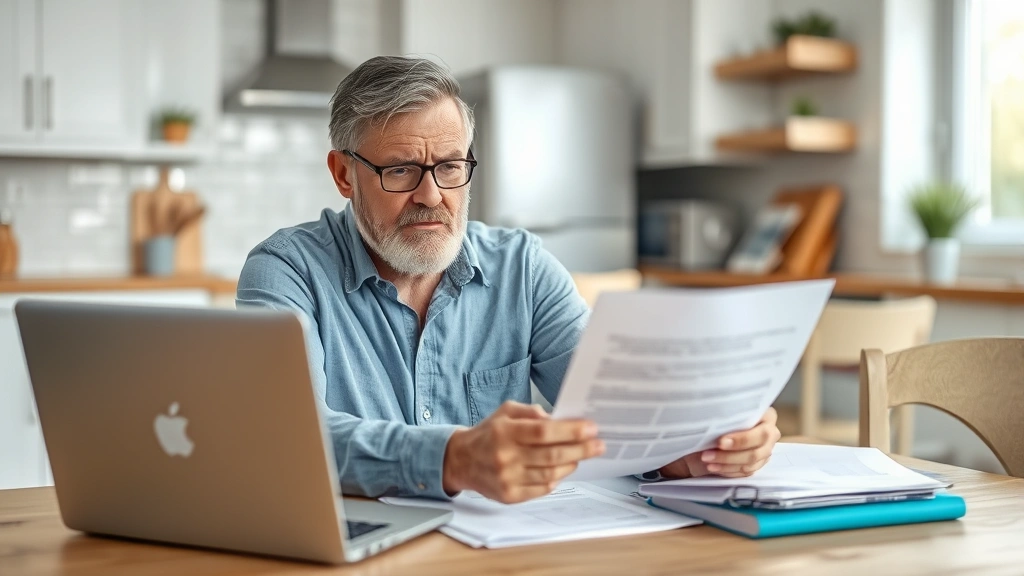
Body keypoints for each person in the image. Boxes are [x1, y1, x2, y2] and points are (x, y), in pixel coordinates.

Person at [237, 56, 780, 504]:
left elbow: (619, 416)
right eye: (401, 170)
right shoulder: (286, 272)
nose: (432, 195)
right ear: (343, 174)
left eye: (450, 166)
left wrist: (694, 448)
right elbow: (285, 437)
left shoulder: (522, 267)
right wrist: (452, 458)